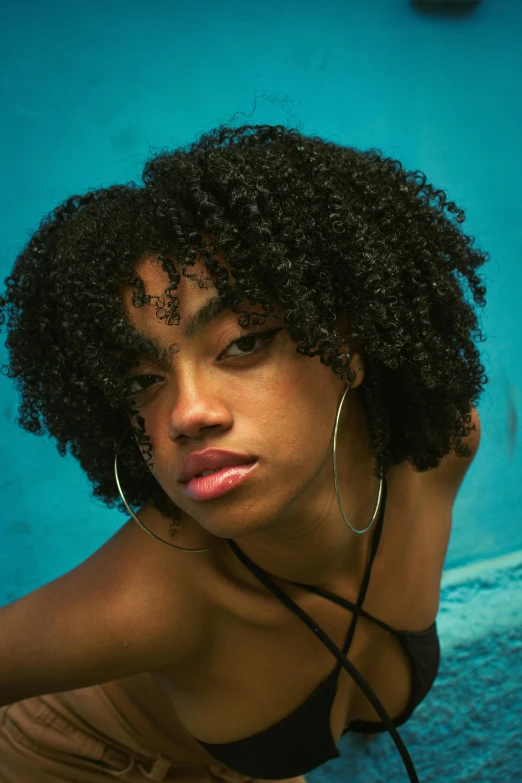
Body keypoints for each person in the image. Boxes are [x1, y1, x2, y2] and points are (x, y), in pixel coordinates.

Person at [0, 123, 486, 783]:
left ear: (347, 344)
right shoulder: (157, 594)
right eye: (142, 382)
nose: (186, 414)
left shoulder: (442, 450)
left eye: (242, 343)